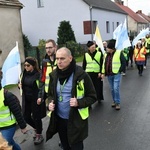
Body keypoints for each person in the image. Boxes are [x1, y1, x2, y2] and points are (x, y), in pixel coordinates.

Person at [46, 47, 97, 150]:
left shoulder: (81, 75)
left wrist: (79, 102)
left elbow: (92, 97)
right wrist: (49, 103)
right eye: (57, 59)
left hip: (75, 120)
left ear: (70, 58)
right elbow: (50, 95)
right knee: (65, 146)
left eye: (62, 58)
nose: (59, 62)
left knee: (76, 147)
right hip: (60, 119)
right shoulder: (54, 75)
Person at [19, 57, 46, 145]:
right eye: (25, 65)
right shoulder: (23, 74)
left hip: (36, 99)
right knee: (25, 116)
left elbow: (42, 87)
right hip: (26, 100)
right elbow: (21, 85)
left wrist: (41, 97)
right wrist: (19, 86)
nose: (26, 67)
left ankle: (39, 135)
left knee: (36, 117)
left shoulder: (38, 74)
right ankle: (37, 128)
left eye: (28, 65)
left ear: (33, 66)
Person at [0, 70, 27, 150]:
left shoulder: (7, 95)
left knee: (4, 144)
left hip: (8, 126)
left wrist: (23, 126)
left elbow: (17, 112)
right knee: (10, 143)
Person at [101, 39, 126, 110]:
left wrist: (120, 70)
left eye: (108, 48)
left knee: (115, 88)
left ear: (112, 49)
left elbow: (123, 62)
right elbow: (104, 64)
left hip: (116, 73)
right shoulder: (106, 54)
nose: (106, 49)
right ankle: (114, 101)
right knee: (112, 89)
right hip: (109, 74)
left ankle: (117, 103)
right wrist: (103, 72)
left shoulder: (118, 53)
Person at [37, 39, 57, 108]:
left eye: (50, 47)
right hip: (48, 94)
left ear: (55, 47)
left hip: (59, 93)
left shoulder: (59, 60)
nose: (48, 50)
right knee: (50, 114)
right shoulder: (45, 62)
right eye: (46, 48)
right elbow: (42, 79)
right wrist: (40, 96)